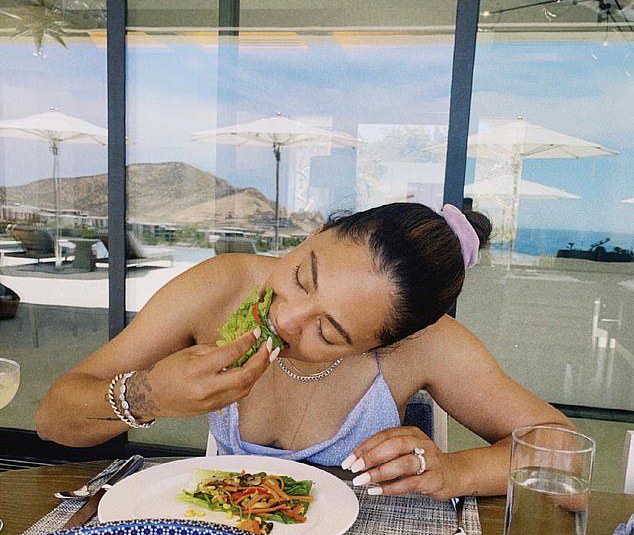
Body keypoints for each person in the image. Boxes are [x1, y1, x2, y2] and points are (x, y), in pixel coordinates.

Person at [36, 202, 571, 500]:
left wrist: (453, 472)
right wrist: (149, 394)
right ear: (317, 231)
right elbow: (53, 419)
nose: (285, 317)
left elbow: (566, 458)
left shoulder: (427, 346)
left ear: (386, 343)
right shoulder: (219, 288)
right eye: (301, 274)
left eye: (330, 333)